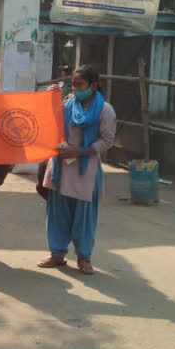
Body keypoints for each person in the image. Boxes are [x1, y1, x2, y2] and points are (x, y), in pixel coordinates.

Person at [38, 65, 116, 275]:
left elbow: (107, 140)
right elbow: (50, 123)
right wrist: (50, 100)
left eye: (80, 85)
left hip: (85, 170)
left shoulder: (104, 110)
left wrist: (81, 151)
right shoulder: (66, 104)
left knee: (84, 217)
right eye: (73, 84)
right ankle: (57, 254)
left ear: (93, 85)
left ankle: (84, 258)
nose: (75, 89)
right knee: (57, 213)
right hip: (61, 167)